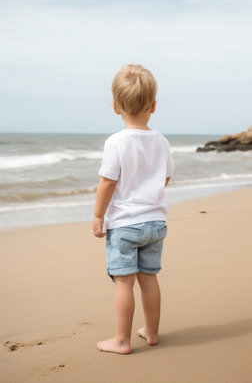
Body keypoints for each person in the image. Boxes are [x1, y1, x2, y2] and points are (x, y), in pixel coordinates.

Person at [93, 64, 174, 354]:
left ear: (115, 107)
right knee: (148, 277)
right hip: (155, 222)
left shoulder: (116, 142)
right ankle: (151, 333)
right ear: (153, 105)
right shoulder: (161, 141)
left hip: (125, 223)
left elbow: (107, 183)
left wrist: (99, 215)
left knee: (124, 282)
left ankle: (122, 340)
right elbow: (164, 177)